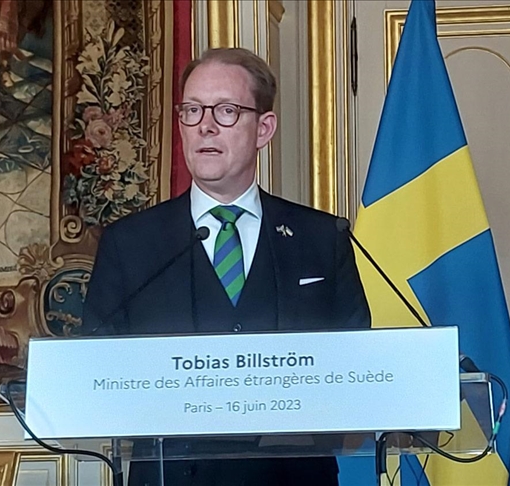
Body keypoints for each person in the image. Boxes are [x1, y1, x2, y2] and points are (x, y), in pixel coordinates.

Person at [83, 48, 371, 486]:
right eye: (192, 110)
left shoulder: (321, 237)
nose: (206, 126)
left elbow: (357, 366)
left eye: (226, 110)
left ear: (264, 129)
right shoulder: (130, 243)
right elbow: (95, 369)